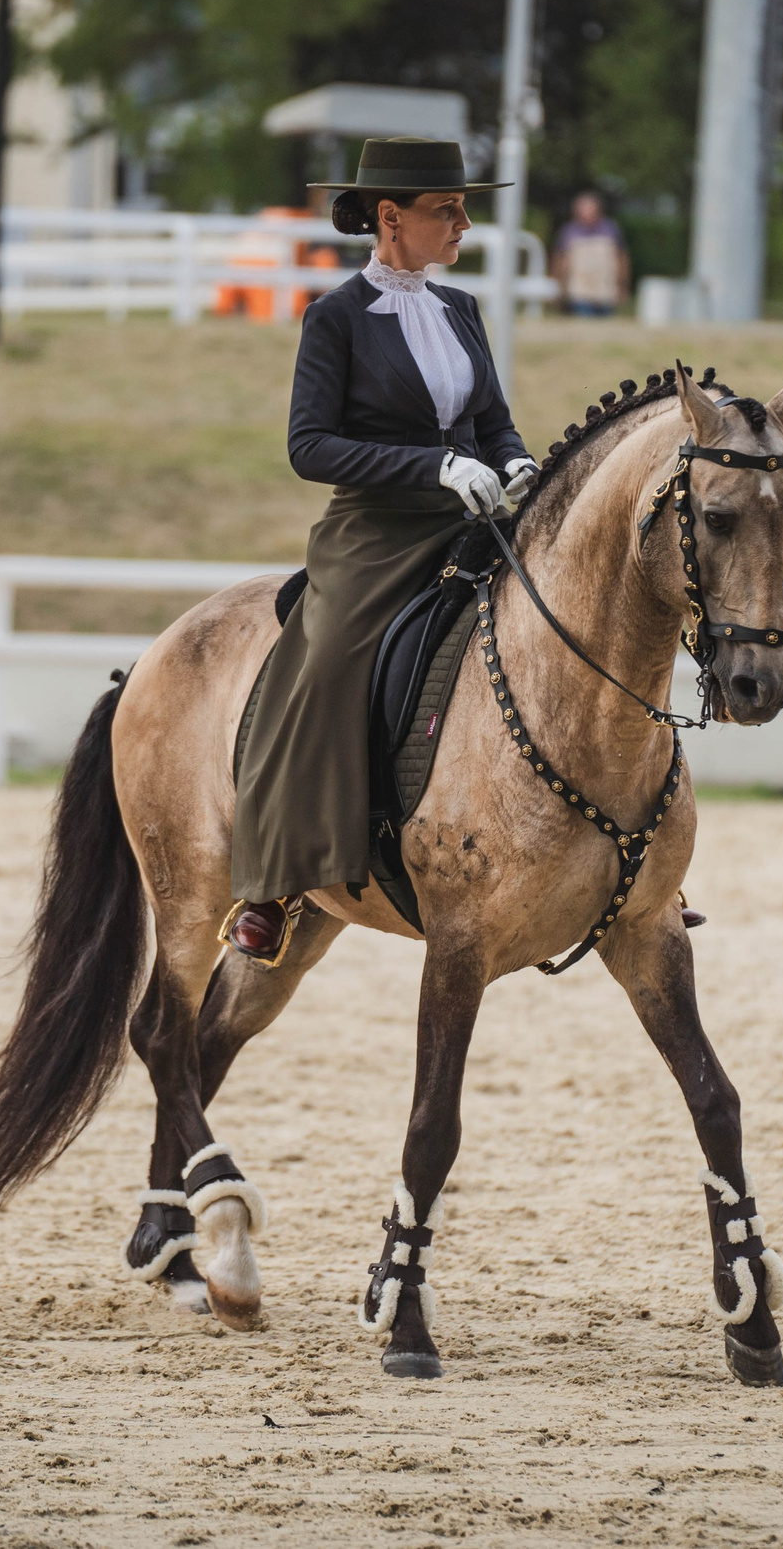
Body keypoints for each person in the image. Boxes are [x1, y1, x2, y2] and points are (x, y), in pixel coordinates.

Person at [226, 137, 538, 963]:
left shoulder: (461, 310)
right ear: (392, 218)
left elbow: (492, 416)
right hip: (375, 530)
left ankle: (629, 857)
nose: (465, 222)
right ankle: (273, 877)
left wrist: (515, 459)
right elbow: (309, 446)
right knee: (325, 660)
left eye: (464, 207)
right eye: (449, 209)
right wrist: (432, 463)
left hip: (472, 514)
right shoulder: (334, 319)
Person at [550, 190, 628, 317]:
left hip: (605, 290)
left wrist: (622, 284)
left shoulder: (610, 229)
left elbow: (621, 258)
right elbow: (560, 260)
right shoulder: (569, 231)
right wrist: (559, 286)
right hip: (579, 290)